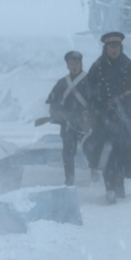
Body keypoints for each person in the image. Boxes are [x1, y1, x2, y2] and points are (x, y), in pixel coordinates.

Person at [81, 31, 131, 203]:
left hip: (124, 118)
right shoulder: (98, 66)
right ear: (106, 48)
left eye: (116, 46)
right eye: (111, 46)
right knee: (107, 154)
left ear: (120, 47)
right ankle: (110, 189)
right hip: (104, 119)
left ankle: (120, 186)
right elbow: (88, 90)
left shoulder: (128, 64)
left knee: (123, 154)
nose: (114, 50)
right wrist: (97, 104)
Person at [39, 51, 90, 186]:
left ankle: (95, 175)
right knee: (68, 152)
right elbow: (53, 103)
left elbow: (97, 101)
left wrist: (89, 111)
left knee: (91, 149)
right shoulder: (62, 83)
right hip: (68, 123)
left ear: (81, 64)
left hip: (86, 123)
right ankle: (69, 179)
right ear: (67, 66)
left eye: (77, 63)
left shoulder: (90, 80)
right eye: (71, 64)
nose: (74, 66)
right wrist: (58, 113)